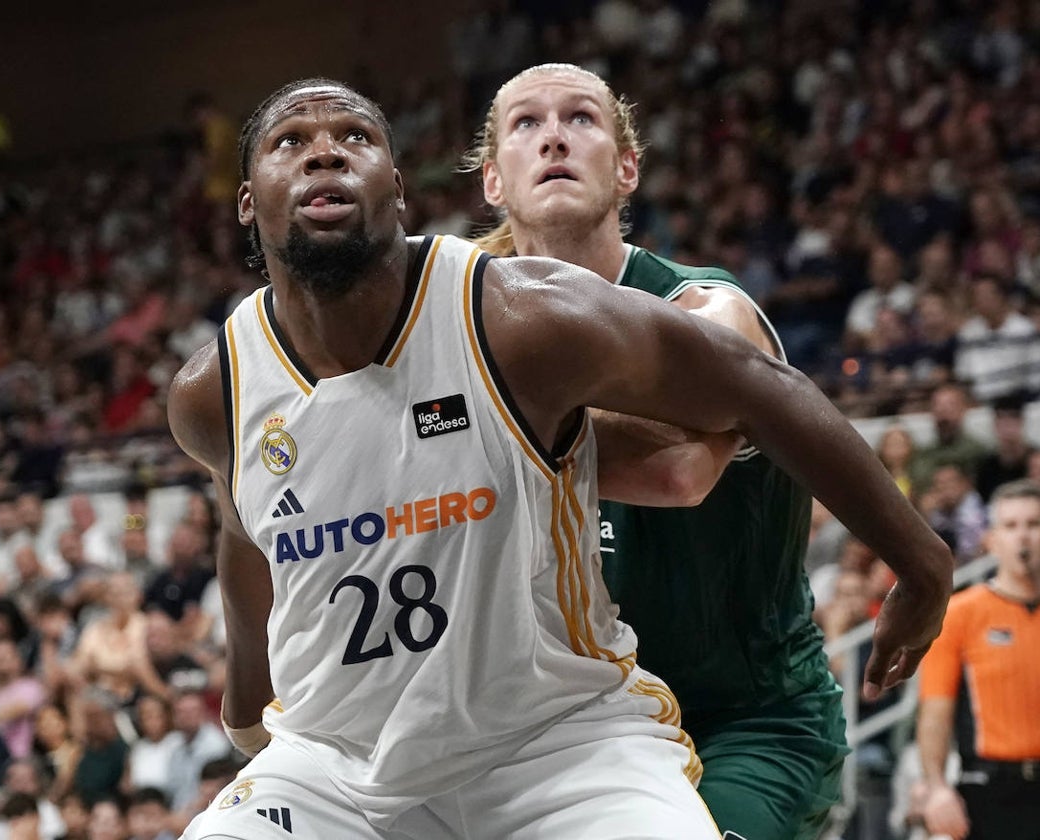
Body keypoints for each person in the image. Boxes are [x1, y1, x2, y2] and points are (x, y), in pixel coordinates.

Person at [169, 78, 951, 840]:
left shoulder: (526, 316)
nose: (325, 155)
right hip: (340, 764)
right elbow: (248, 532)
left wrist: (920, 563)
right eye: (292, 141)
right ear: (247, 200)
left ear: (399, 190)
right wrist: (247, 710)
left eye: (354, 138)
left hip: (595, 731)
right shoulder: (216, 391)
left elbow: (725, 421)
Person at [467, 61, 849, 840]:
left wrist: (477, 426)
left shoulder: (708, 308)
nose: (553, 139)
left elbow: (679, 470)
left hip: (744, 719)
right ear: (493, 183)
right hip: (575, 731)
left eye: (580, 118)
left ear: (627, 167)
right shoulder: (468, 329)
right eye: (526, 125)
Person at [916, 479, 1040, 840]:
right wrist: (937, 788)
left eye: (1034, 524)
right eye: (1011, 525)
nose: (1024, 537)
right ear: (991, 538)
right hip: (989, 787)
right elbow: (935, 711)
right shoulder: (961, 613)